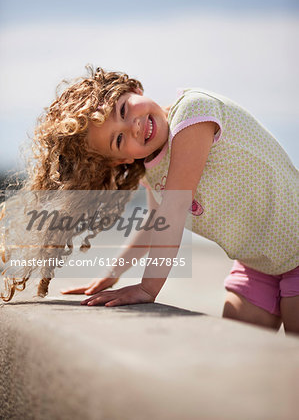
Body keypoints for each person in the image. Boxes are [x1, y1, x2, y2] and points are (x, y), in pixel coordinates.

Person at [1, 66, 298, 334]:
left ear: (133, 90)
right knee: (241, 353)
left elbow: (175, 208)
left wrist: (147, 288)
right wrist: (112, 274)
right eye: (118, 139)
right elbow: (155, 224)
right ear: (122, 160)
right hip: (257, 264)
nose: (134, 126)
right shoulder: (152, 171)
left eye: (123, 110)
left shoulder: (194, 112)